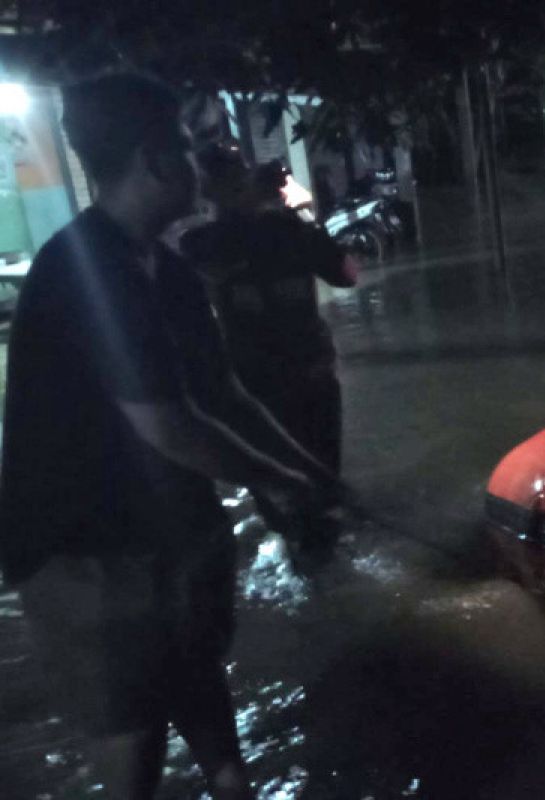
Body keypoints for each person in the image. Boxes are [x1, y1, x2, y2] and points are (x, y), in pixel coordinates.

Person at [0, 74, 339, 800]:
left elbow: (226, 396)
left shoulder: (171, 271)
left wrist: (305, 467)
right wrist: (277, 482)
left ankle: (231, 785)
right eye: (191, 147)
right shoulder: (85, 271)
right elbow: (167, 423)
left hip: (165, 528)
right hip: (84, 549)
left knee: (195, 668)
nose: (203, 163)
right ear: (156, 161)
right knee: (134, 729)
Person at [183, 145, 357, 553]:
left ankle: (316, 560)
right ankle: (313, 557)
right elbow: (346, 271)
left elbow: (345, 273)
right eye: (233, 179)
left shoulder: (275, 231)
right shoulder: (205, 243)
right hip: (261, 389)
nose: (242, 183)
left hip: (293, 380)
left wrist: (292, 213)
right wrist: (290, 213)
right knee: (292, 493)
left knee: (311, 490)